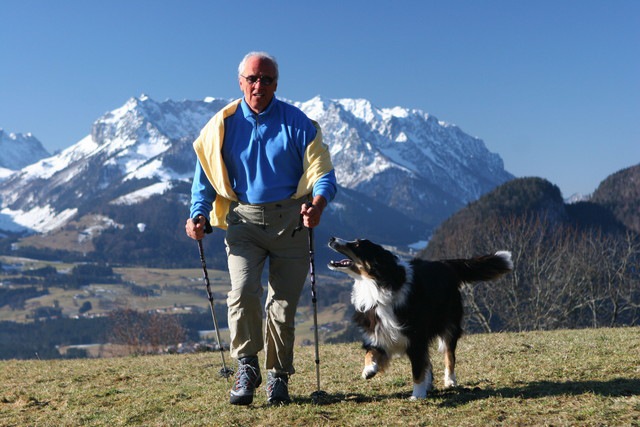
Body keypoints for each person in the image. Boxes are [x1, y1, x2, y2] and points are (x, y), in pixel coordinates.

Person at [185, 51, 337, 406]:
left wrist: (318, 204)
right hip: (243, 223)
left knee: (282, 306)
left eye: (266, 79)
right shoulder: (220, 126)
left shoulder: (299, 123)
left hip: (291, 224)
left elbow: (323, 173)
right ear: (240, 82)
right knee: (242, 292)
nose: (258, 86)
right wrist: (199, 214)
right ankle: (247, 366)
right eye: (252, 79)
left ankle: (278, 378)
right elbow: (205, 178)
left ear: (275, 84)